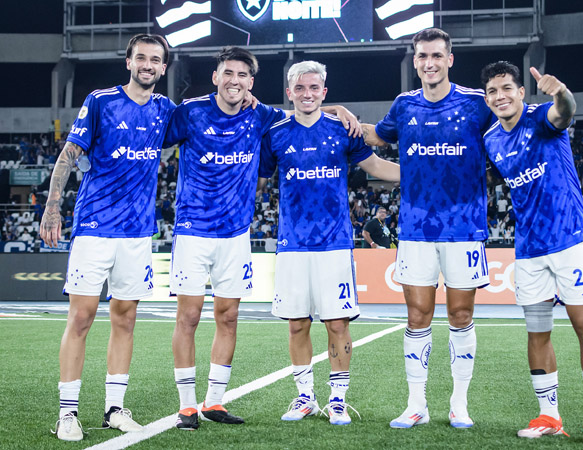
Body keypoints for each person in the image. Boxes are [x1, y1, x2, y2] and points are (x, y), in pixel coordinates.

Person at [163, 47, 360, 430]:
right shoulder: (190, 111)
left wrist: (338, 110)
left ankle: (215, 402)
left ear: (251, 83)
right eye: (228, 73)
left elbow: (305, 112)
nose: (234, 80)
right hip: (192, 230)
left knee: (229, 316)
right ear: (216, 75)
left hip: (237, 233)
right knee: (188, 317)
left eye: (242, 75)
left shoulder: (261, 115)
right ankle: (187, 405)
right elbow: (156, 140)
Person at [40, 34, 175, 441]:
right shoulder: (100, 101)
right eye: (141, 58)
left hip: (137, 234)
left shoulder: (166, 110)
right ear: (129, 63)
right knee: (80, 318)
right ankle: (67, 413)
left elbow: (213, 117)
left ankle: (114, 408)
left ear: (164, 68)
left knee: (126, 319)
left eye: (155, 59)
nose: (147, 64)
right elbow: (69, 155)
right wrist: (51, 205)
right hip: (95, 228)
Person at [361, 28, 493, 429]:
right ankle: (416, 404)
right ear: (415, 61)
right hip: (416, 229)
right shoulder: (403, 105)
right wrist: (341, 119)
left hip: (465, 228)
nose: (429, 63)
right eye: (422, 56)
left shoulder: (476, 104)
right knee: (417, 316)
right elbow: (376, 137)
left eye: (437, 55)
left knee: (460, 313)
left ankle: (459, 403)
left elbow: (511, 124)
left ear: (450, 59)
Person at [481, 61, 583, 446]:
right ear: (487, 98)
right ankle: (550, 415)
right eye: (492, 91)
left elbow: (566, 111)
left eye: (507, 88)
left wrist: (561, 92)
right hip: (528, 250)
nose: (500, 96)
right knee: (537, 332)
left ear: (522, 92)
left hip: (570, 240)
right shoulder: (491, 139)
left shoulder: (542, 117)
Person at [258, 61, 399, 425]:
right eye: (300, 88)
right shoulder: (275, 133)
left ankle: (337, 399)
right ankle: (305, 396)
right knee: (296, 324)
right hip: (292, 245)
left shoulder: (343, 129)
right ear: (290, 93)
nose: (307, 94)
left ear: (324, 91)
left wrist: (424, 174)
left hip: (334, 244)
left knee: (337, 324)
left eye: (314, 88)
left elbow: (378, 168)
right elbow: (254, 180)